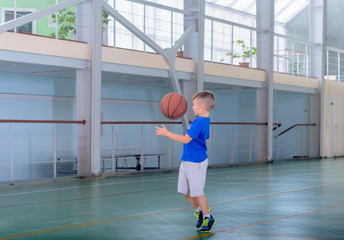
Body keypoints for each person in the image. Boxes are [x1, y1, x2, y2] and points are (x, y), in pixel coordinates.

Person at [155, 90, 216, 232]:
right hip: (188, 160)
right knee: (184, 190)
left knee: (198, 192)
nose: (192, 107)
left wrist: (166, 133)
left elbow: (185, 139)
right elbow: (205, 139)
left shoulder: (199, 122)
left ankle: (208, 217)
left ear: (201, 108)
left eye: (194, 105)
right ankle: (200, 211)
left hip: (196, 162)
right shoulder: (203, 120)